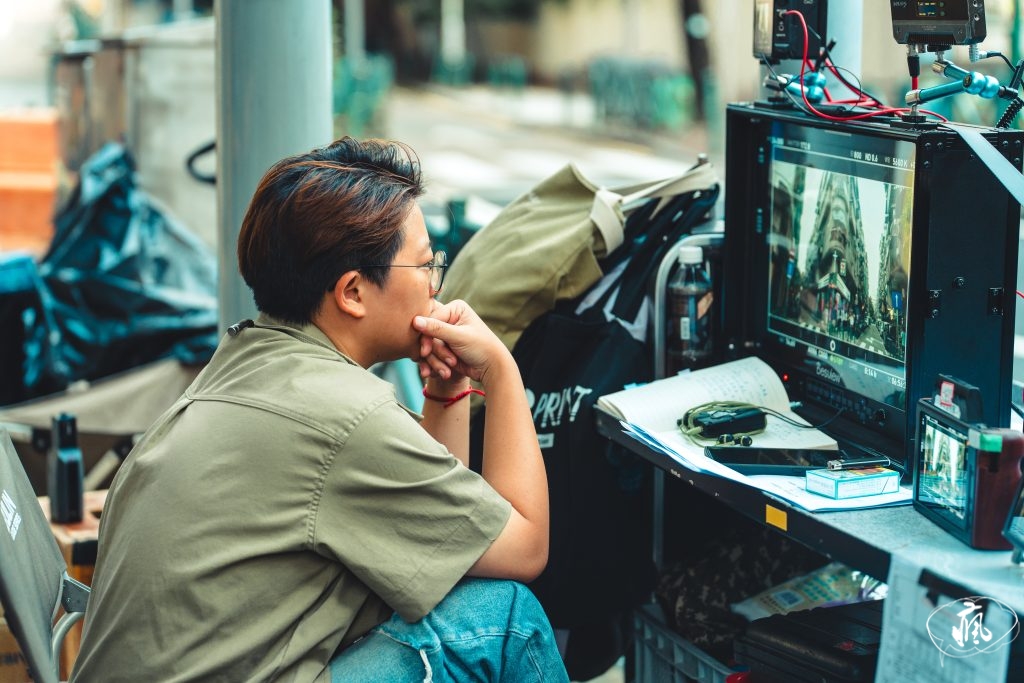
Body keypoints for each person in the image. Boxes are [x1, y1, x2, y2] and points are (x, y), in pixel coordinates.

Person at [71, 137, 567, 682]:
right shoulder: (346, 418)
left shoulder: (244, 361)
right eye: (426, 264)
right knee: (506, 618)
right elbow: (525, 549)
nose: (435, 285)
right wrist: (501, 371)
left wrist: (446, 389)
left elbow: (440, 533)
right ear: (352, 292)